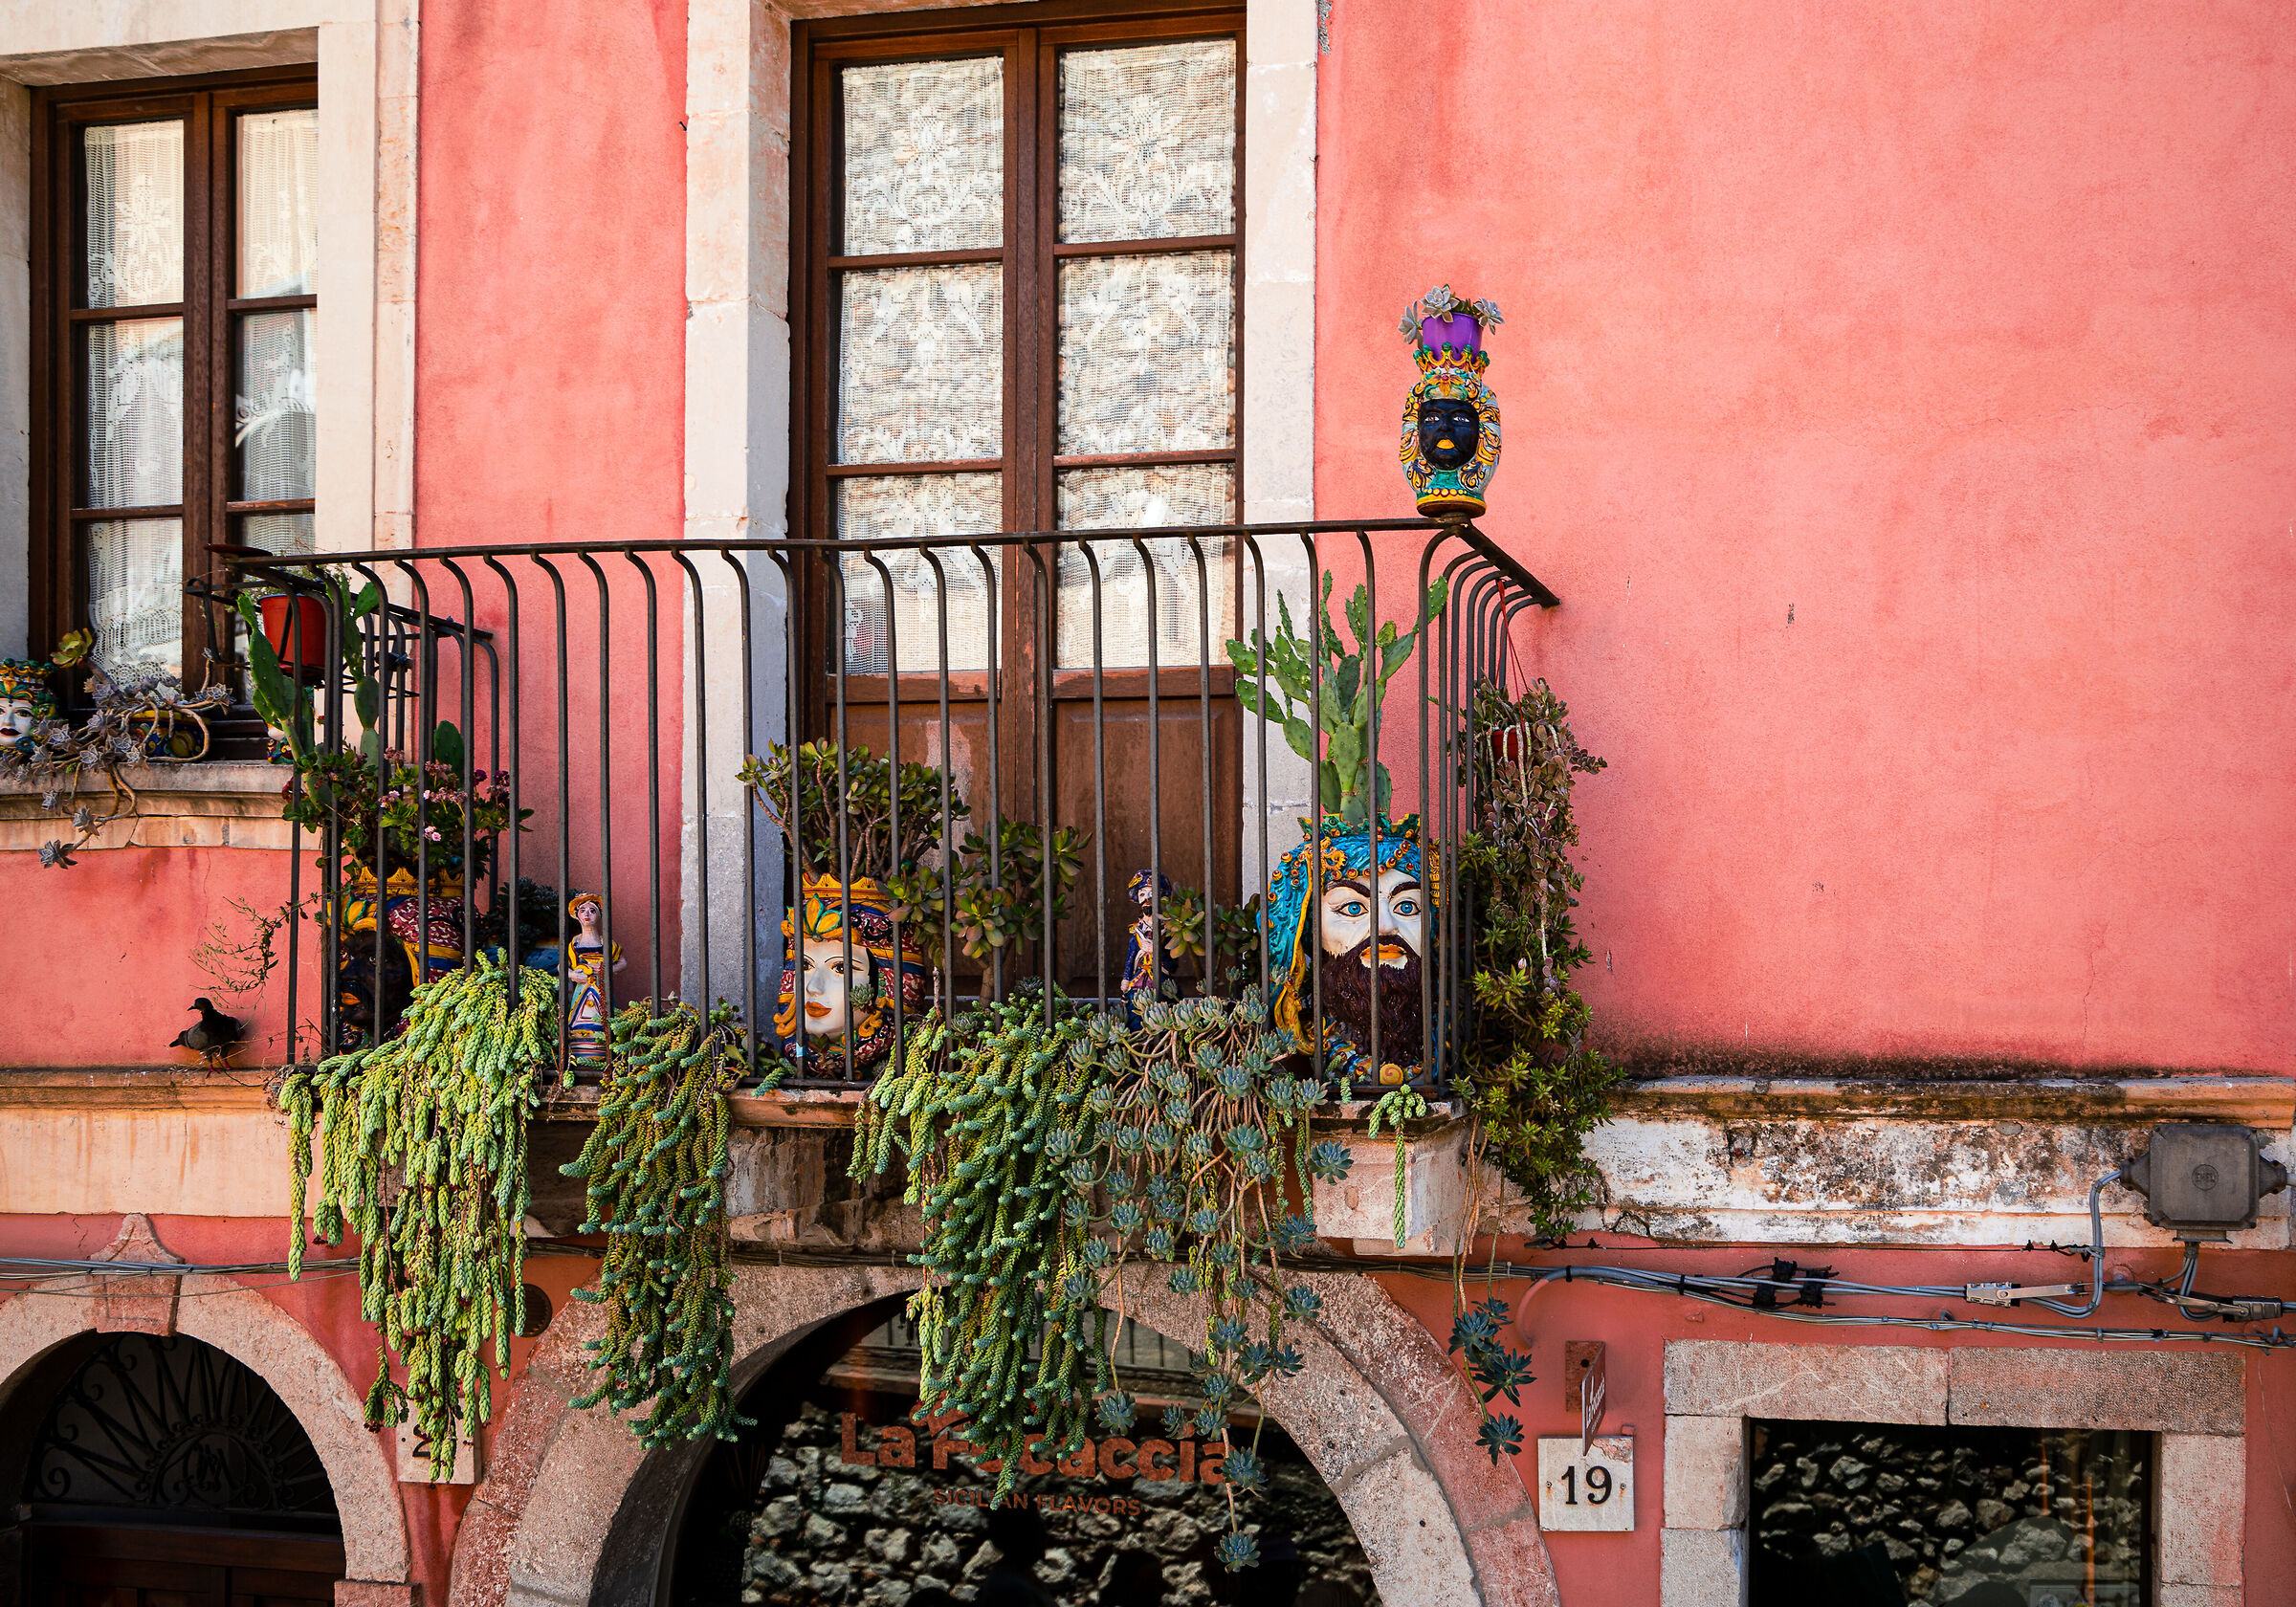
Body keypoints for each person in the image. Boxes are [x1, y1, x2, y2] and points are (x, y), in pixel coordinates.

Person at [977, 1504, 1058, 1607]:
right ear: (1022, 1538)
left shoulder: (1020, 1574)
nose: (1046, 1537)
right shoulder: (1012, 1588)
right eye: (1038, 1530)